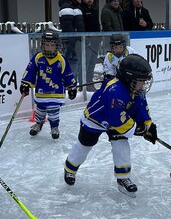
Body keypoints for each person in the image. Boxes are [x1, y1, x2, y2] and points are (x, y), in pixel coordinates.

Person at [63, 54, 157, 196]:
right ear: (130, 78)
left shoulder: (136, 90)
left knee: (121, 146)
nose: (143, 84)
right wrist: (137, 129)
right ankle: (70, 168)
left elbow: (141, 107)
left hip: (118, 121)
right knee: (84, 145)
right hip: (96, 120)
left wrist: (148, 125)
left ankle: (123, 178)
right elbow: (115, 119)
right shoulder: (115, 90)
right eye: (141, 81)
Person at [19, 31, 77, 140]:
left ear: (57, 46)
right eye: (46, 45)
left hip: (56, 92)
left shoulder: (61, 60)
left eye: (52, 45)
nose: (49, 47)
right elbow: (30, 70)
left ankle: (54, 127)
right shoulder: (38, 57)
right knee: (40, 110)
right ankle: (38, 124)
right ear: (42, 45)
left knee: (53, 112)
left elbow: (68, 74)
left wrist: (71, 87)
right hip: (41, 91)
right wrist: (25, 84)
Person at [58, 0, 85, 83]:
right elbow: (68, 27)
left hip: (76, 42)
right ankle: (68, 87)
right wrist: (73, 44)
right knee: (71, 66)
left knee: (75, 65)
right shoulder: (67, 7)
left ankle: (72, 86)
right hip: (71, 44)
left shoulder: (75, 6)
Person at [80, 0, 102, 90]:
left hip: (95, 41)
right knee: (85, 63)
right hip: (86, 41)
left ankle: (89, 83)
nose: (90, 0)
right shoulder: (81, 10)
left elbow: (97, 25)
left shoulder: (94, 10)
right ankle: (83, 85)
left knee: (92, 63)